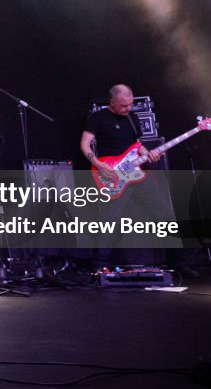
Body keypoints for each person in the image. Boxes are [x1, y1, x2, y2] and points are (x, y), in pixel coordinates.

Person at [80, 84, 186, 265]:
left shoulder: (132, 117)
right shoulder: (98, 118)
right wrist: (98, 164)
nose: (127, 108)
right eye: (123, 105)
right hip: (113, 175)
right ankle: (97, 266)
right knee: (110, 222)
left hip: (137, 174)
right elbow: (85, 144)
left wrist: (149, 154)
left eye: (130, 104)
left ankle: (179, 264)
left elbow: (137, 145)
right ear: (112, 102)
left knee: (164, 214)